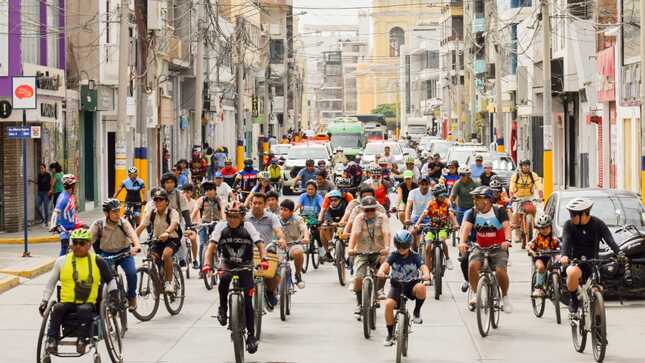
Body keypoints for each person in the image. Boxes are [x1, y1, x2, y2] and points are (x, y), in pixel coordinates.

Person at [202, 201, 267, 354]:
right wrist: (206, 264)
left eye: (235, 216)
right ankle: (223, 308)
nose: (231, 219)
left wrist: (263, 259)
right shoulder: (220, 227)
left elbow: (260, 244)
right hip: (227, 263)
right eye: (229, 216)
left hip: (246, 265)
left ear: (242, 217)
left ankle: (251, 335)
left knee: (248, 301)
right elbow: (210, 248)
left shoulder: (248, 227)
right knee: (224, 280)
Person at [39, 229, 118, 355]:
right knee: (57, 308)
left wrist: (114, 299)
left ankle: (82, 340)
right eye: (75, 243)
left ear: (89, 245)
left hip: (87, 303)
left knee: (84, 309)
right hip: (67, 302)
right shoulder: (62, 261)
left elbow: (111, 281)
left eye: (82, 243)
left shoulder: (98, 261)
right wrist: (44, 301)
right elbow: (51, 283)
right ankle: (51, 340)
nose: (77, 246)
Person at [559, 198, 622, 314]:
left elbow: (610, 241)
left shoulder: (598, 224)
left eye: (573, 214)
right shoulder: (569, 225)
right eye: (570, 214)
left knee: (597, 291)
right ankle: (573, 300)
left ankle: (598, 323)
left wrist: (620, 254)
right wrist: (564, 256)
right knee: (572, 273)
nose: (571, 217)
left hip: (593, 263)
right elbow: (566, 242)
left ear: (584, 214)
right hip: (575, 263)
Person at [458, 186, 512, 311]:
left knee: (499, 271)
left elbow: (506, 227)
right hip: (480, 247)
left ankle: (504, 297)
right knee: (472, 266)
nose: (474, 201)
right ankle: (476, 294)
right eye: (474, 198)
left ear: (487, 200)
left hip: (498, 247)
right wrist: (462, 242)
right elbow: (466, 228)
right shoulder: (473, 212)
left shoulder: (499, 210)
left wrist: (507, 240)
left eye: (477, 198)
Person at [377, 230, 430, 346]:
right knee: (388, 305)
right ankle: (390, 334)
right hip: (397, 286)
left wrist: (426, 274)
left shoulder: (415, 256)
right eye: (399, 246)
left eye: (405, 246)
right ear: (396, 245)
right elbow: (386, 265)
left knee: (421, 287)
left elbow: (423, 266)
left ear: (409, 245)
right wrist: (381, 271)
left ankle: (416, 312)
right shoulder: (393, 255)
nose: (402, 249)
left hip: (412, 285)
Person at [90, 199, 142, 311]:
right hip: (106, 255)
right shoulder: (98, 225)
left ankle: (132, 297)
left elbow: (133, 234)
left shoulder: (123, 223)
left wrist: (136, 246)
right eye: (114, 212)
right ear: (106, 213)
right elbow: (87, 240)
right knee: (103, 281)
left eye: (118, 211)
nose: (117, 214)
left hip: (124, 252)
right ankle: (106, 303)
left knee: (131, 273)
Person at [348, 196, 391, 317]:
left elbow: (386, 232)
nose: (370, 212)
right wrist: (351, 249)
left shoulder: (382, 217)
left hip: (379, 251)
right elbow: (354, 234)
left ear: (376, 208)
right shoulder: (359, 218)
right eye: (366, 210)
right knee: (358, 278)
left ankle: (379, 290)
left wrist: (386, 248)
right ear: (362, 210)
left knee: (384, 267)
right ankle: (359, 304)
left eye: (372, 209)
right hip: (362, 251)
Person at [245, 193, 286, 310]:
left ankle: (270, 291)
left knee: (273, 272)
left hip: (267, 250)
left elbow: (278, 230)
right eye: (254, 203)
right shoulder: (245, 217)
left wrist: (281, 239)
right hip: (248, 251)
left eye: (260, 203)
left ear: (265, 204)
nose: (257, 205)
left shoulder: (272, 217)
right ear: (251, 203)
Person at [135, 189, 182, 293]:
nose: (158, 202)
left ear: (166, 202)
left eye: (161, 200)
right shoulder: (151, 213)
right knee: (151, 257)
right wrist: (132, 239)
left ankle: (169, 282)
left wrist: (167, 232)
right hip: (157, 241)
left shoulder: (172, 212)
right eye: (156, 200)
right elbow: (141, 227)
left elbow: (174, 223)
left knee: (166, 255)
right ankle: (157, 281)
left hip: (172, 239)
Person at [414, 184, 458, 273]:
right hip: (432, 227)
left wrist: (455, 224)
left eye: (444, 195)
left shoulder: (447, 203)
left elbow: (451, 214)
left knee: (442, 240)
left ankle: (448, 258)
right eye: (441, 196)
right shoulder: (431, 204)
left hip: (443, 228)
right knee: (428, 246)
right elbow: (424, 214)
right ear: (436, 196)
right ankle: (426, 270)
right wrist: (417, 224)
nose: (443, 198)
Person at [509, 159, 543, 245]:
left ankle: (532, 225)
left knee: (534, 210)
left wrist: (541, 195)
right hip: (518, 197)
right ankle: (517, 233)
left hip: (530, 197)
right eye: (524, 165)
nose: (526, 167)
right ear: (521, 167)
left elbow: (539, 185)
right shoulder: (515, 176)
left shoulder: (533, 175)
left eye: (528, 165)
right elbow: (511, 187)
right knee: (516, 213)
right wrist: (512, 196)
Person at [192, 180, 225, 270]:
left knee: (218, 243)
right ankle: (201, 268)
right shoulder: (201, 200)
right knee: (202, 244)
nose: (208, 192)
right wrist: (191, 222)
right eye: (206, 190)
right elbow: (195, 211)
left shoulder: (219, 200)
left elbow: (223, 210)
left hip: (216, 224)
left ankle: (219, 261)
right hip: (204, 223)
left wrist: (224, 221)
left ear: (215, 190)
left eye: (210, 189)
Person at [50, 174, 83, 256]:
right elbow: (56, 212)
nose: (75, 187)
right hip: (64, 228)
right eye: (74, 185)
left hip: (73, 225)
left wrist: (80, 223)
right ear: (71, 185)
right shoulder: (63, 198)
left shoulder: (70, 196)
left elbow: (72, 213)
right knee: (64, 248)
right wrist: (53, 226)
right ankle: (60, 266)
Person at [527, 214, 560, 297]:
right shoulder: (537, 237)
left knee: (557, 267)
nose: (544, 230)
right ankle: (538, 288)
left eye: (546, 227)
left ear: (550, 227)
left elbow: (561, 245)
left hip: (550, 257)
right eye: (542, 228)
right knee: (541, 267)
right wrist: (531, 251)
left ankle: (557, 285)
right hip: (539, 258)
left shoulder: (554, 237)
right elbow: (529, 245)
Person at [278, 199, 309, 288]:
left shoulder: (298, 219)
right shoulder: (276, 218)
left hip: (293, 244)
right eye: (281, 209)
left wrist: (306, 237)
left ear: (291, 212)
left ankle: (298, 274)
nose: (282, 212)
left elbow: (304, 228)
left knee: (298, 253)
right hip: (279, 246)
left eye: (285, 210)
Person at [318, 190, 349, 261]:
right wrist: (330, 222)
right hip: (333, 224)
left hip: (343, 224)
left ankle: (348, 257)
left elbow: (348, 215)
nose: (333, 202)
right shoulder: (329, 208)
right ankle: (330, 242)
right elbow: (327, 217)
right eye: (331, 200)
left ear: (340, 200)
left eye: (335, 200)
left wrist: (345, 222)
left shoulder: (345, 206)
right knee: (324, 226)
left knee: (345, 236)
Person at [181, 183, 201, 269]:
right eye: (184, 192)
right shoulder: (180, 202)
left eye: (188, 192)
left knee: (193, 239)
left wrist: (197, 222)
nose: (185, 194)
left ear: (191, 193)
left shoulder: (194, 202)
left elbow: (197, 213)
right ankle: (181, 258)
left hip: (191, 225)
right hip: (181, 225)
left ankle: (194, 260)